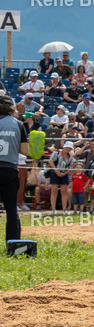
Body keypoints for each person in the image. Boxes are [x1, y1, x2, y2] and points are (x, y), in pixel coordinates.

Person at [1, 95, 30, 246]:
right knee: (12, 210)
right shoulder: (18, 124)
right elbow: (25, 151)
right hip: (9, 169)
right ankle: (13, 244)